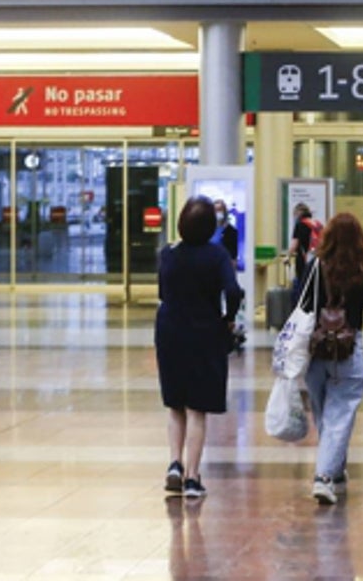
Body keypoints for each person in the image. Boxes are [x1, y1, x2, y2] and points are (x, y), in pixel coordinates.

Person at [156, 196, 244, 499]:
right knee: (197, 408)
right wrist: (229, 318)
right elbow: (233, 290)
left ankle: (174, 463)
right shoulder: (216, 255)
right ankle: (193, 478)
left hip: (169, 330)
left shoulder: (168, 253)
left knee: (175, 404)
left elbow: (161, 292)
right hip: (204, 331)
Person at [304, 213, 363, 504]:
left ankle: (334, 470)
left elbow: (300, 303)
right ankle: (325, 476)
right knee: (340, 414)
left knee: (324, 414)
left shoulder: (316, 266)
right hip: (348, 348)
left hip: (315, 349)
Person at [288, 203, 322, 298]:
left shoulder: (300, 224)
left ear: (298, 213)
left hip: (304, 260)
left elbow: (295, 245)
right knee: (314, 285)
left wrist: (288, 256)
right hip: (317, 260)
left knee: (302, 285)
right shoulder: (317, 224)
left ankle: (302, 307)